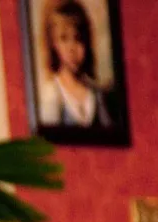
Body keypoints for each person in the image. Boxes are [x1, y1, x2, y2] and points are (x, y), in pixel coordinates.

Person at [37, 0, 113, 128]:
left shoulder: (96, 93)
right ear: (53, 44)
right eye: (64, 39)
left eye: (78, 39)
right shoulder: (53, 93)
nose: (71, 48)